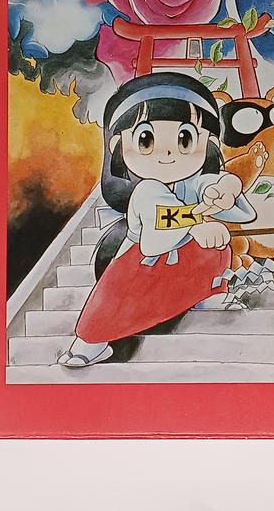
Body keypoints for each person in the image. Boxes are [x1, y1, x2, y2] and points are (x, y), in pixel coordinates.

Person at [58, 72, 256, 367]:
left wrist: (226, 187)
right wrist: (196, 225)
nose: (167, 153)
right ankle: (92, 342)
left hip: (187, 265)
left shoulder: (191, 181)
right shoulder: (145, 190)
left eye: (185, 139)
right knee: (114, 298)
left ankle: (209, 293)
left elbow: (209, 186)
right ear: (118, 146)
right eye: (146, 139)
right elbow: (159, 226)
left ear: (209, 142)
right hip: (144, 265)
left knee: (215, 249)